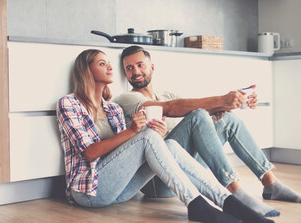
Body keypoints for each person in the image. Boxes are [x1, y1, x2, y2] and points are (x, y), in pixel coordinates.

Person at [56, 49, 274, 223]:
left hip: (120, 191)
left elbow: (123, 153)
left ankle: (227, 201)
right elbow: (89, 152)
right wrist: (135, 133)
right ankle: (197, 204)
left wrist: (147, 134)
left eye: (109, 62)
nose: (111, 66)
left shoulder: (112, 109)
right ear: (86, 70)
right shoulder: (69, 104)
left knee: (167, 143)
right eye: (102, 63)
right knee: (149, 136)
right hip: (89, 191)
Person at [115, 45, 301, 218]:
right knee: (198, 115)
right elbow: (173, 108)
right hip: (157, 182)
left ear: (152, 67)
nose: (136, 72)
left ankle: (271, 183)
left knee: (228, 120)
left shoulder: (167, 94)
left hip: (184, 171)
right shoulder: (127, 98)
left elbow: (197, 111)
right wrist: (221, 99)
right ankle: (235, 193)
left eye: (140, 65)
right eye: (129, 68)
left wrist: (235, 101)